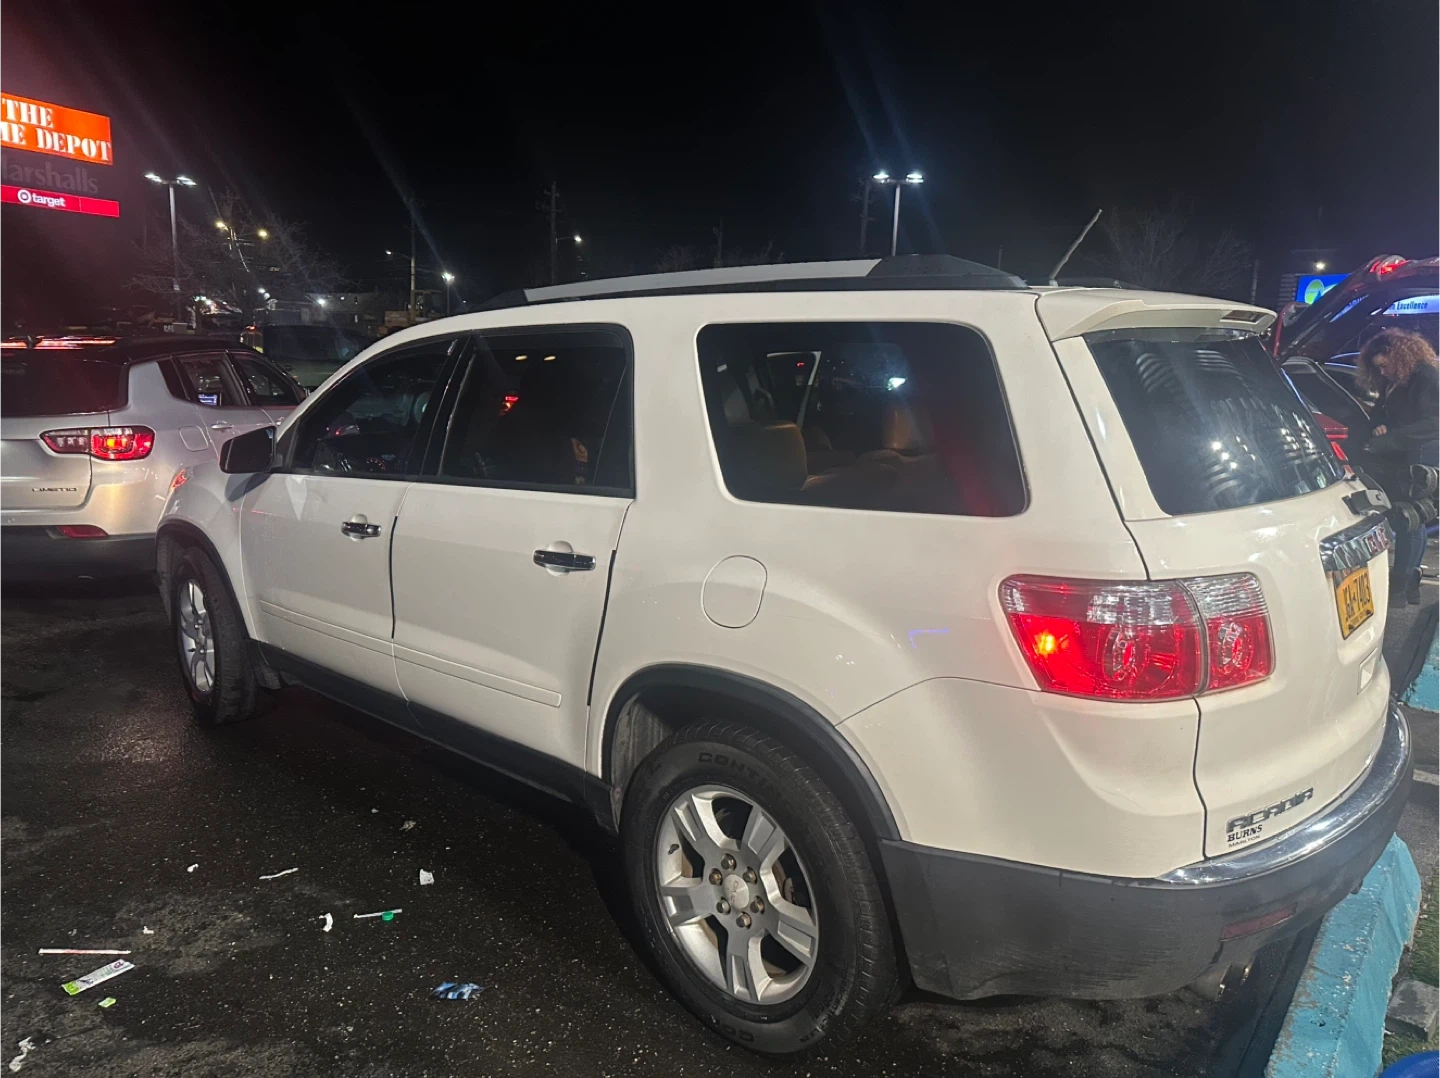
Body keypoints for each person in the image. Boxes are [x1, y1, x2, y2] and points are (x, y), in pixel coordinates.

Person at [1358, 328, 1440, 604]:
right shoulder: (1399, 379)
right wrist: (1382, 426)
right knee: (1414, 519)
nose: (1382, 372)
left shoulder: (1424, 376)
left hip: (1418, 455)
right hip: (1407, 453)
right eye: (1377, 368)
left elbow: (1434, 422)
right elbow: (1389, 414)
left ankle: (1400, 588)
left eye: (1384, 365)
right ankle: (1408, 585)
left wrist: (1389, 439)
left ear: (1399, 356)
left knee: (1408, 519)